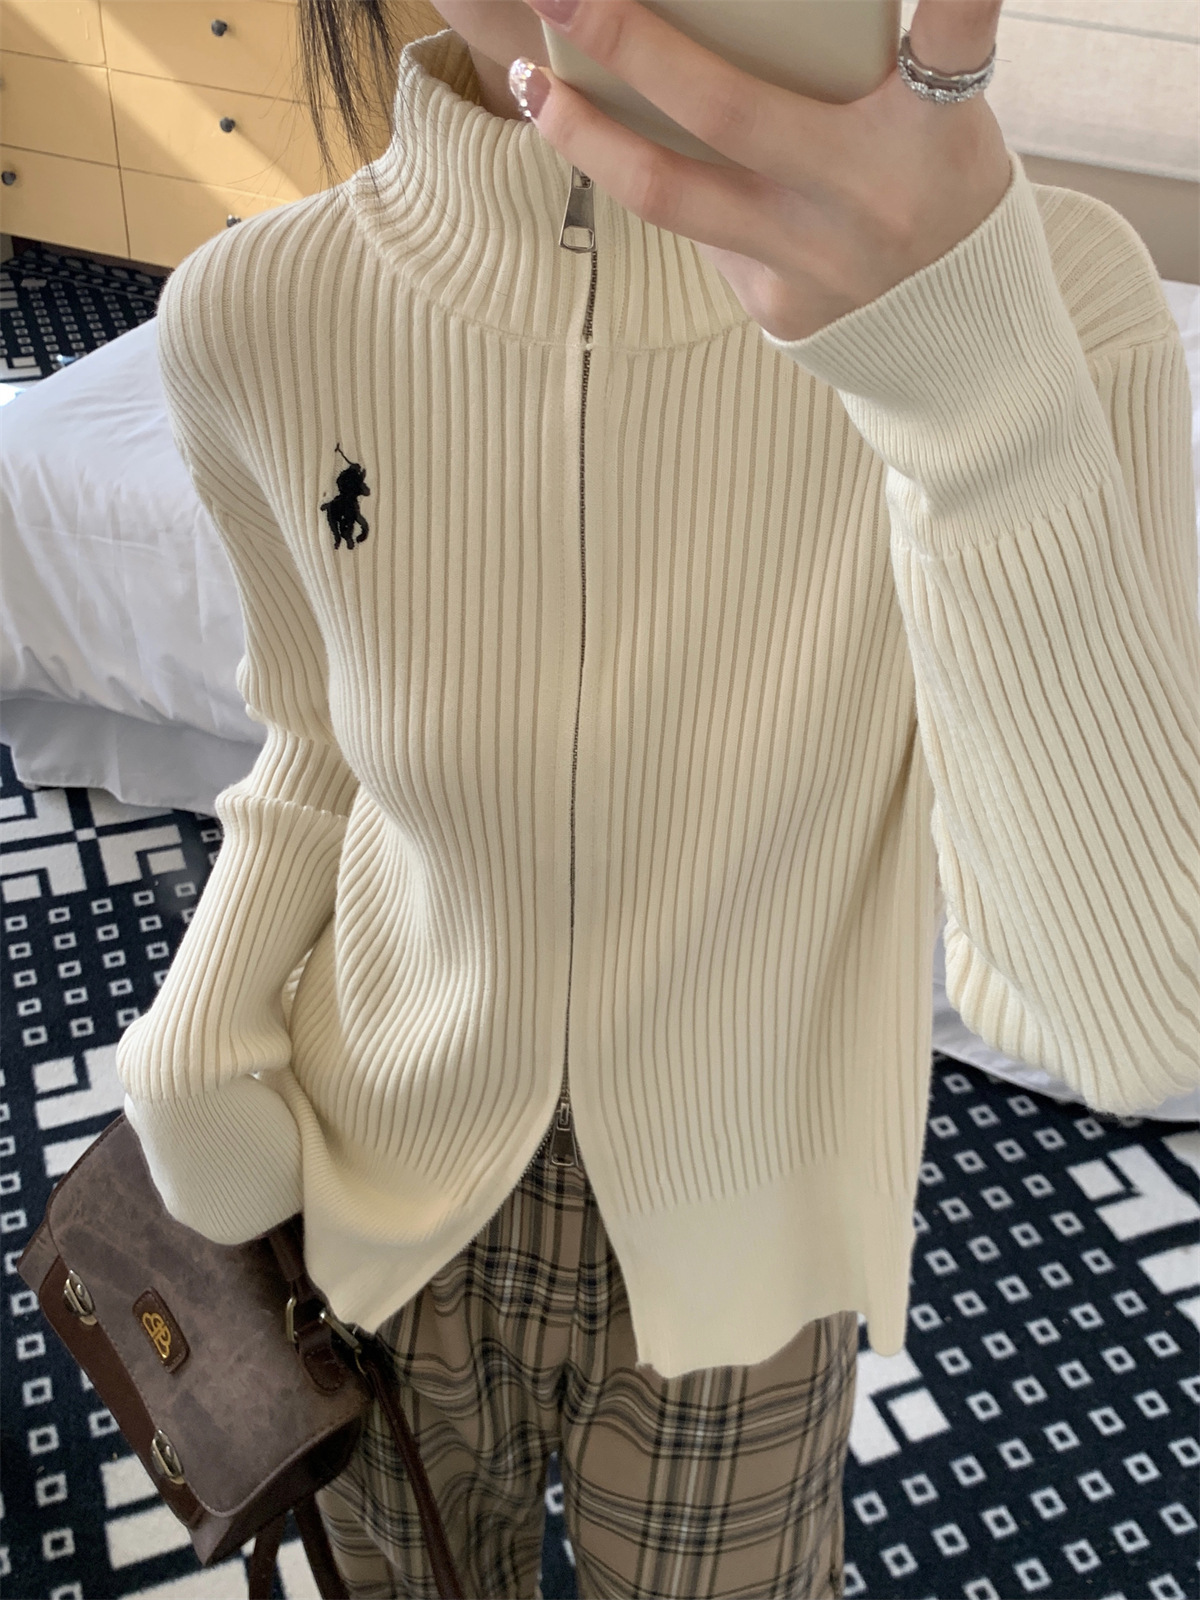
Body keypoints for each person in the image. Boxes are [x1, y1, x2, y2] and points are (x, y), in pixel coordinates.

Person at [115, 0, 1200, 1594]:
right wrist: (198, 1028)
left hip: (744, 1239)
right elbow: (315, 737)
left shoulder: (1052, 297)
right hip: (369, 1203)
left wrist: (974, 390)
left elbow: (1139, 1020)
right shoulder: (256, 309)